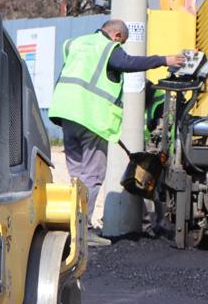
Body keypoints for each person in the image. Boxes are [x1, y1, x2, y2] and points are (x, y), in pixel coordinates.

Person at [48, 19, 188, 245]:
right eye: (121, 41)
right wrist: (164, 60)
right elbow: (127, 62)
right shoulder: (108, 47)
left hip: (65, 113)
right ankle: (84, 230)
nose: (120, 45)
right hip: (89, 117)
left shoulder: (76, 43)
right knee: (92, 177)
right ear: (116, 36)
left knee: (76, 176)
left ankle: (69, 228)